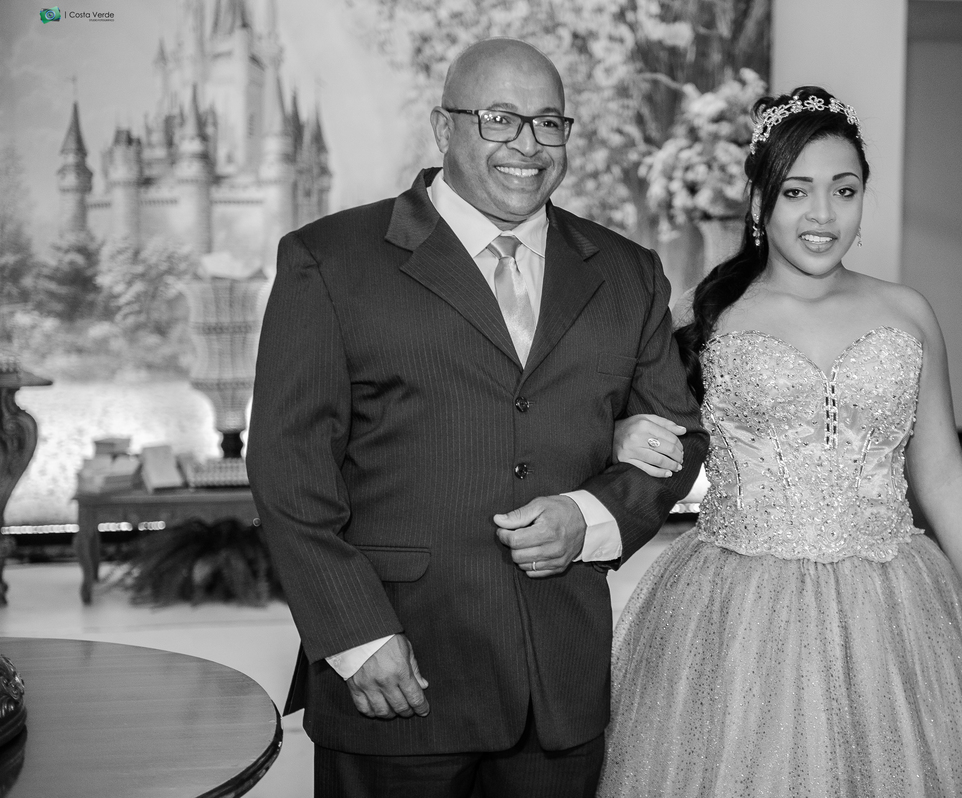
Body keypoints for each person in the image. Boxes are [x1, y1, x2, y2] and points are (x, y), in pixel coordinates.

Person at [246, 38, 707, 798]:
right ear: (444, 127)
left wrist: (588, 517)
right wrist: (355, 635)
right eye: (500, 119)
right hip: (397, 675)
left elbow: (679, 437)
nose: (528, 145)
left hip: (557, 687)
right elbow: (288, 467)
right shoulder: (329, 260)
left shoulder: (628, 272)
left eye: (549, 123)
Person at [598, 87, 962, 797]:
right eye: (797, 191)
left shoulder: (907, 312)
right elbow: (636, 426)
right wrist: (623, 429)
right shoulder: (703, 318)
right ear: (759, 202)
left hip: (893, 607)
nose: (823, 215)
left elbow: (943, 474)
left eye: (844, 190)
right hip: (737, 608)